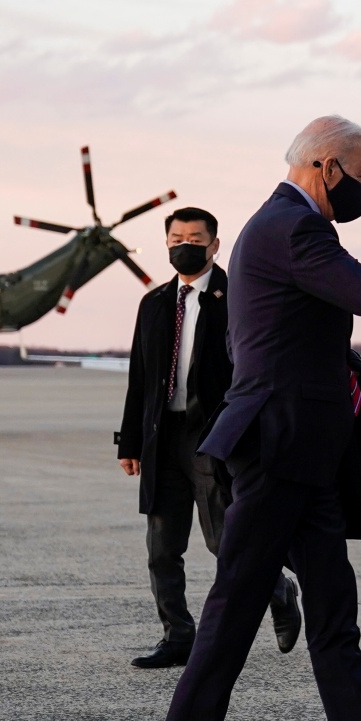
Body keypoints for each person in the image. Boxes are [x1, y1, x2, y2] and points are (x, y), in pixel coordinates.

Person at [146, 116, 361, 721]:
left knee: (333, 601)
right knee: (237, 599)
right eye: (360, 174)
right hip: (279, 445)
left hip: (302, 447)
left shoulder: (283, 228)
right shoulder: (292, 227)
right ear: (325, 165)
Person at [117, 205, 302, 669]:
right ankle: (178, 636)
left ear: (215, 245)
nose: (185, 245)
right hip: (164, 439)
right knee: (162, 548)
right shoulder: (154, 303)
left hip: (214, 437)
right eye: (177, 237)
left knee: (224, 542)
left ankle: (280, 590)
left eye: (196, 239)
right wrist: (130, 442)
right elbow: (140, 376)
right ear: (166, 242)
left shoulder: (236, 296)